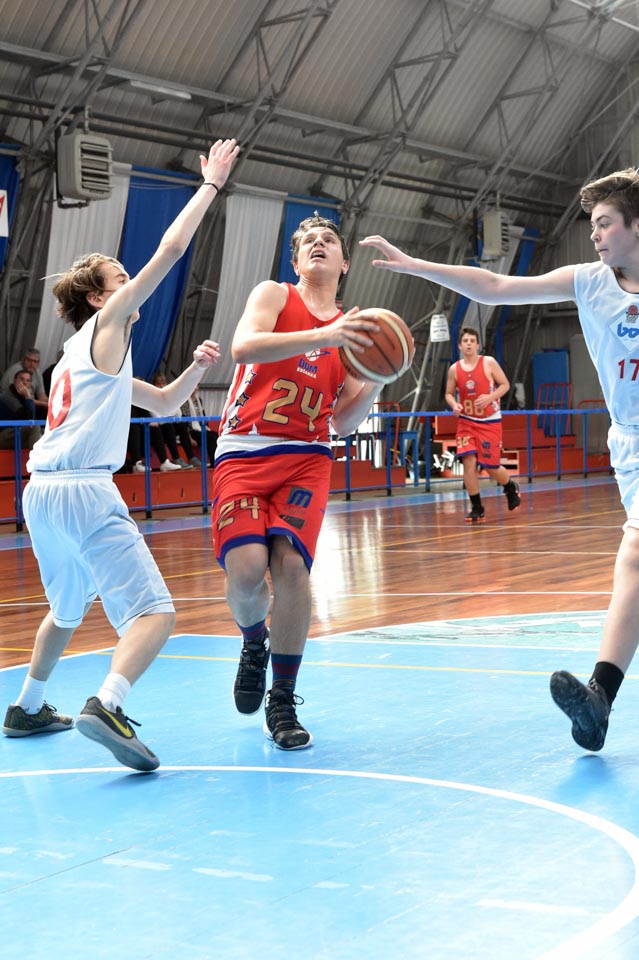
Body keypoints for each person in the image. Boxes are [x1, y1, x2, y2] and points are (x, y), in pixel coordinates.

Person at [361, 167, 639, 754]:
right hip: (631, 445)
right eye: (591, 225)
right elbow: (494, 285)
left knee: (636, 558)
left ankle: (600, 696)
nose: (593, 234)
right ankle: (598, 703)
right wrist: (416, 265)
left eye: (604, 223)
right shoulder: (589, 282)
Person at [2, 137, 240, 772]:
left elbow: (162, 404)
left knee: (65, 609)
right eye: (121, 280)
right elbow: (172, 250)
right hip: (82, 489)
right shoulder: (108, 327)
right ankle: (107, 705)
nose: (132, 284)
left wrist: (195, 368)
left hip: (42, 494)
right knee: (155, 613)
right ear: (101, 299)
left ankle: (26, 706)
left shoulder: (77, 356)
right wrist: (211, 184)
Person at [212, 213, 383, 750]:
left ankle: (282, 701)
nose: (319, 244)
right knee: (246, 571)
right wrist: (323, 334)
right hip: (244, 448)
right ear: (295, 261)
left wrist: (379, 379)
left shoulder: (353, 330)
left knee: (291, 567)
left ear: (344, 262)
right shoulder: (274, 295)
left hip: (307, 455)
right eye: (309, 240)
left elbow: (344, 421)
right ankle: (253, 641)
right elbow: (244, 347)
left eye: (329, 240)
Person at [444, 325, 521, 522]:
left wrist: (490, 397)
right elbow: (449, 393)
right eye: (465, 341)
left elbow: (505, 385)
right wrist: (454, 405)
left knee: (491, 466)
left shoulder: (488, 362)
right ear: (460, 346)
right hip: (467, 421)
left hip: (489, 421)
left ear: (478, 345)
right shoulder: (454, 369)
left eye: (472, 341)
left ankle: (510, 486)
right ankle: (477, 507)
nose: (469, 344)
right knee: (468, 462)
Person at [149, 370, 198, 467]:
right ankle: (176, 458)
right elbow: (156, 418)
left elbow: (178, 415)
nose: (162, 386)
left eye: (163, 383)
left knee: (181, 425)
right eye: (159, 384)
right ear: (154, 385)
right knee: (168, 426)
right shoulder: (151, 398)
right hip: (158, 430)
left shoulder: (168, 396)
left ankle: (191, 457)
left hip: (167, 426)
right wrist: (168, 415)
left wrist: (171, 400)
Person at [0, 368, 42, 450]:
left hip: (15, 434)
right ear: (14, 381)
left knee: (44, 434)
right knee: (35, 427)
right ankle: (36, 458)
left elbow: (32, 419)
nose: (25, 382)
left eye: (28, 380)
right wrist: (28, 397)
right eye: (22, 379)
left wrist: (27, 398)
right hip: (2, 435)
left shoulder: (21, 396)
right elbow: (29, 420)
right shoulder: (7, 396)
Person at [1, 348, 49, 415]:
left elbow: (41, 395)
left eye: (35, 361)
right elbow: (22, 397)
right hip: (13, 402)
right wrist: (43, 404)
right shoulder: (17, 371)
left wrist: (50, 403)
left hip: (29, 401)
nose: (32, 364)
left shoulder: (37, 372)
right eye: (29, 360)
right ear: (23, 359)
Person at [181, 384, 215, 467]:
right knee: (210, 437)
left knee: (215, 435)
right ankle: (213, 463)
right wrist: (190, 438)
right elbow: (184, 422)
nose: (195, 388)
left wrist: (207, 428)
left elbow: (203, 417)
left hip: (200, 428)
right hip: (191, 429)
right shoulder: (184, 401)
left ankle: (217, 461)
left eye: (196, 386)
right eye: (193, 385)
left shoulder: (199, 400)